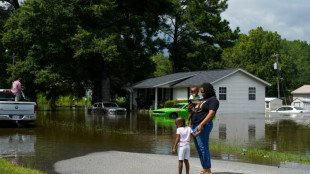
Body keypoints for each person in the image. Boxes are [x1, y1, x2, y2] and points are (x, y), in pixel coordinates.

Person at [188, 83, 219, 174]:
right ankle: (204, 169)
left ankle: (208, 170)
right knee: (199, 148)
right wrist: (189, 110)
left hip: (203, 125)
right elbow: (195, 111)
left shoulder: (213, 100)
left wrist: (201, 124)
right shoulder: (201, 100)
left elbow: (211, 114)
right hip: (194, 125)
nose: (202, 94)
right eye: (201, 92)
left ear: (208, 91)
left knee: (203, 147)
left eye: (203, 92)